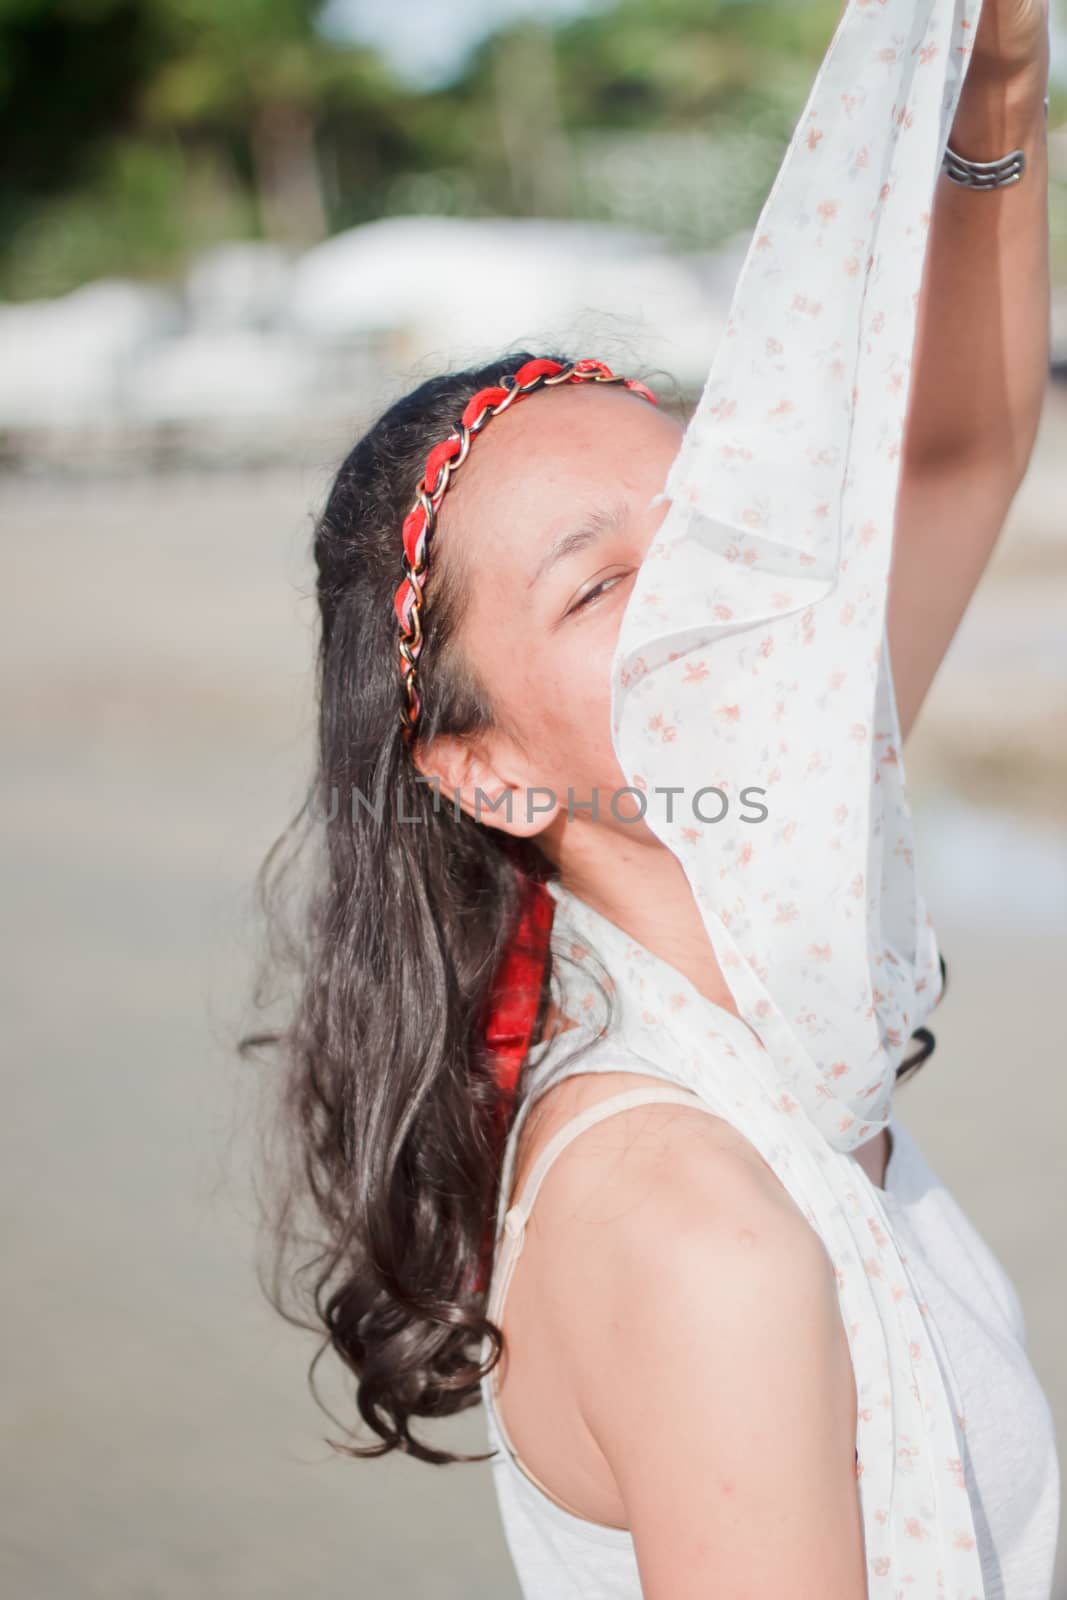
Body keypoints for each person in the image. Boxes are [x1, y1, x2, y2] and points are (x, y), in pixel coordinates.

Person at [241, 1, 1060, 1596]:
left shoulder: (783, 1009)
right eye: (603, 585)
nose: (692, 605)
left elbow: (961, 453)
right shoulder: (692, 1217)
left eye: (704, 532)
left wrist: (997, 76)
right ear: (492, 770)